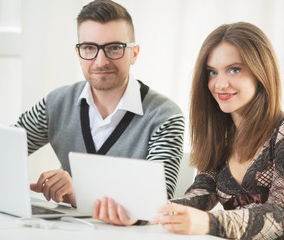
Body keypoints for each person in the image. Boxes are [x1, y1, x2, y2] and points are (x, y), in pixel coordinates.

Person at [14, 0, 185, 219]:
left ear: (134, 53)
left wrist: (78, 193)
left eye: (114, 48)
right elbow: (0, 153)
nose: (100, 61)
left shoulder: (166, 117)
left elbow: (156, 203)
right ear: (78, 52)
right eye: (89, 48)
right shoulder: (55, 103)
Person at [154, 22, 284, 239]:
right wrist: (144, 213)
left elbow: (278, 216)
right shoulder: (222, 138)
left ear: (260, 71)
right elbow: (200, 195)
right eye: (212, 72)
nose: (220, 84)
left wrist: (207, 222)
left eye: (234, 70)